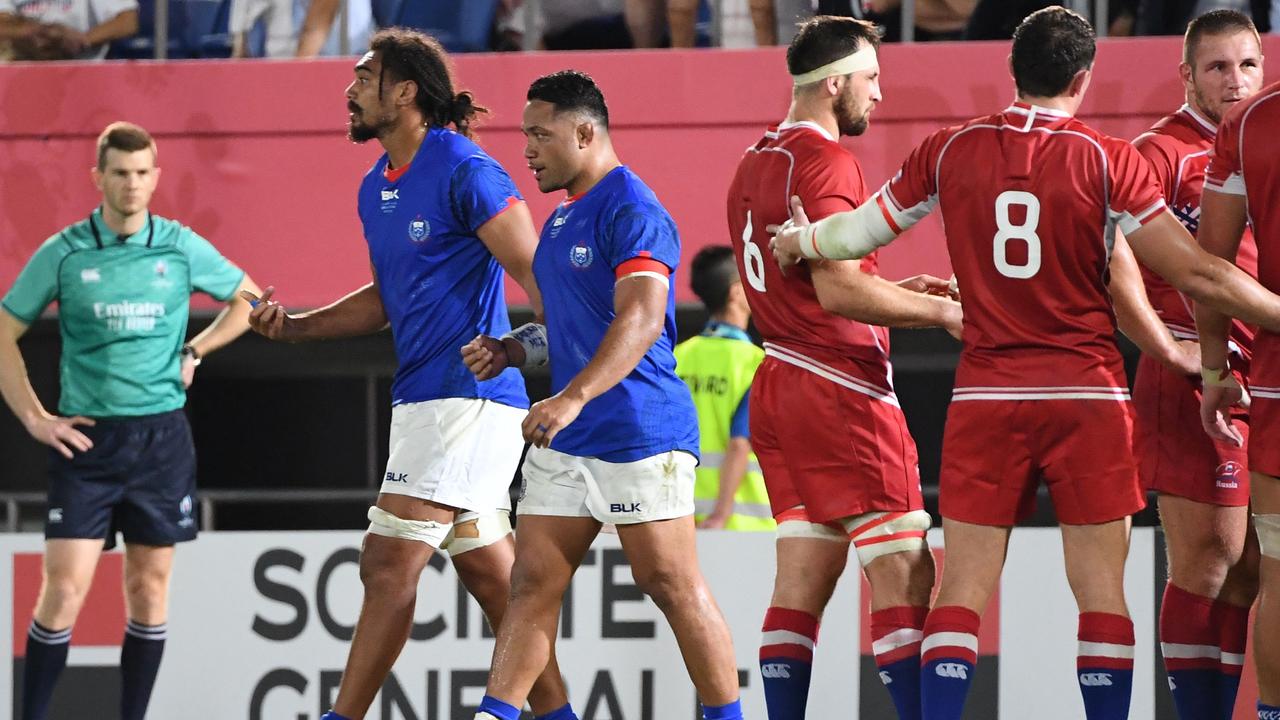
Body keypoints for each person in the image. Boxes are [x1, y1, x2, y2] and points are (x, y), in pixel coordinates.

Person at [771, 7, 1280, 719]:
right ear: (1082, 78)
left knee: (963, 592)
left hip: (985, 395)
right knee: (1101, 592)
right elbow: (1197, 273)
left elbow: (858, 231)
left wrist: (802, 242)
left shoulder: (947, 150)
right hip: (1086, 397)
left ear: (1013, 71)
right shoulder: (1110, 158)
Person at [242, 29, 573, 720]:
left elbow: (541, 280)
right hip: (425, 402)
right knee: (497, 586)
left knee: (387, 565)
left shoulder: (468, 170)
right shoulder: (375, 186)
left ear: (405, 92)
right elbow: (388, 300)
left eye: (365, 77)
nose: (350, 89)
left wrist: (551, 370)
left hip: (469, 400)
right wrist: (298, 327)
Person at [461, 69, 744, 720]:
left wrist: (573, 397)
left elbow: (642, 320)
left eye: (540, 134)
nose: (526, 149)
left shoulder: (633, 207)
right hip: (571, 435)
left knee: (669, 584)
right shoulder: (560, 220)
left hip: (638, 431)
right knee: (530, 585)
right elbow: (568, 328)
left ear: (585, 133)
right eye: (525, 134)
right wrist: (513, 350)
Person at [726, 15, 961, 719]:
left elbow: (819, 282)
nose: (878, 96)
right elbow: (837, 288)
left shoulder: (754, 160)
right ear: (835, 84)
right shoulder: (828, 162)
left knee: (799, 585)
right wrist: (944, 314)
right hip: (840, 389)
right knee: (905, 574)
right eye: (871, 81)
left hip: (780, 381)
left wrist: (900, 289)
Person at [0, 121, 259, 720]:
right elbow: (5, 332)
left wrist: (196, 350)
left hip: (161, 440)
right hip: (86, 442)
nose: (132, 184)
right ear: (99, 178)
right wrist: (38, 420)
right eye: (120, 173)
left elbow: (250, 300)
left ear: (156, 177)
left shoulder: (178, 244)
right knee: (63, 592)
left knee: (148, 592)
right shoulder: (64, 252)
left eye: (143, 172)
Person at [1128, 10, 1264, 718]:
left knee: (1249, 570)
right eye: (1217, 67)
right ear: (1186, 75)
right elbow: (1111, 268)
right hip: (1194, 382)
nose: (1235, 81)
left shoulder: (1264, 141)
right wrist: (1167, 346)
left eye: (1247, 65)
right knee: (1209, 561)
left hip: (1259, 376)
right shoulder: (1158, 152)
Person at [1198, 56, 1280, 720]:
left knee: (1279, 571)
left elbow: (1210, 267)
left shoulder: (1251, 121)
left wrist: (1216, 369)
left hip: (1277, 377)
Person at [672, 245, 772, 531]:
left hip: (679, 521)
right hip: (742, 527)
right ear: (736, 293)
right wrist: (721, 513)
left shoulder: (677, 358)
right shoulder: (758, 363)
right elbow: (740, 443)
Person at [0, 0, 137, 60]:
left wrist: (81, 40)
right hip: (21, 67)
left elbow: (127, 22)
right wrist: (32, 32)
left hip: (84, 69)